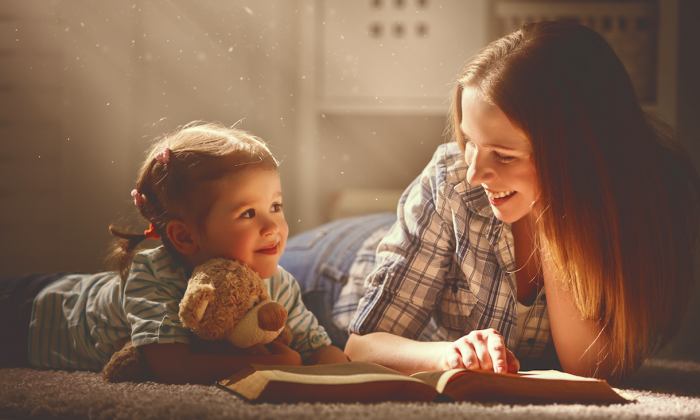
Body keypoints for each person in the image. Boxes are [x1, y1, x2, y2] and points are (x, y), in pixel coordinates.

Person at [283, 21, 700, 384]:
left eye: (504, 155)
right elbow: (362, 345)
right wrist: (447, 357)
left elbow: (590, 368)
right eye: (470, 143)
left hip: (416, 230)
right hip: (331, 268)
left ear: (579, 157)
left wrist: (555, 217)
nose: (475, 174)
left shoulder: (641, 206)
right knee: (246, 284)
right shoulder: (451, 181)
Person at [0, 122, 347, 384]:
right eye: (248, 214)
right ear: (184, 237)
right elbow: (169, 365)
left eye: (276, 205)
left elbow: (317, 345)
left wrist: (343, 369)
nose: (273, 226)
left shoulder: (278, 284)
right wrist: (272, 366)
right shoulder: (153, 273)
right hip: (31, 313)